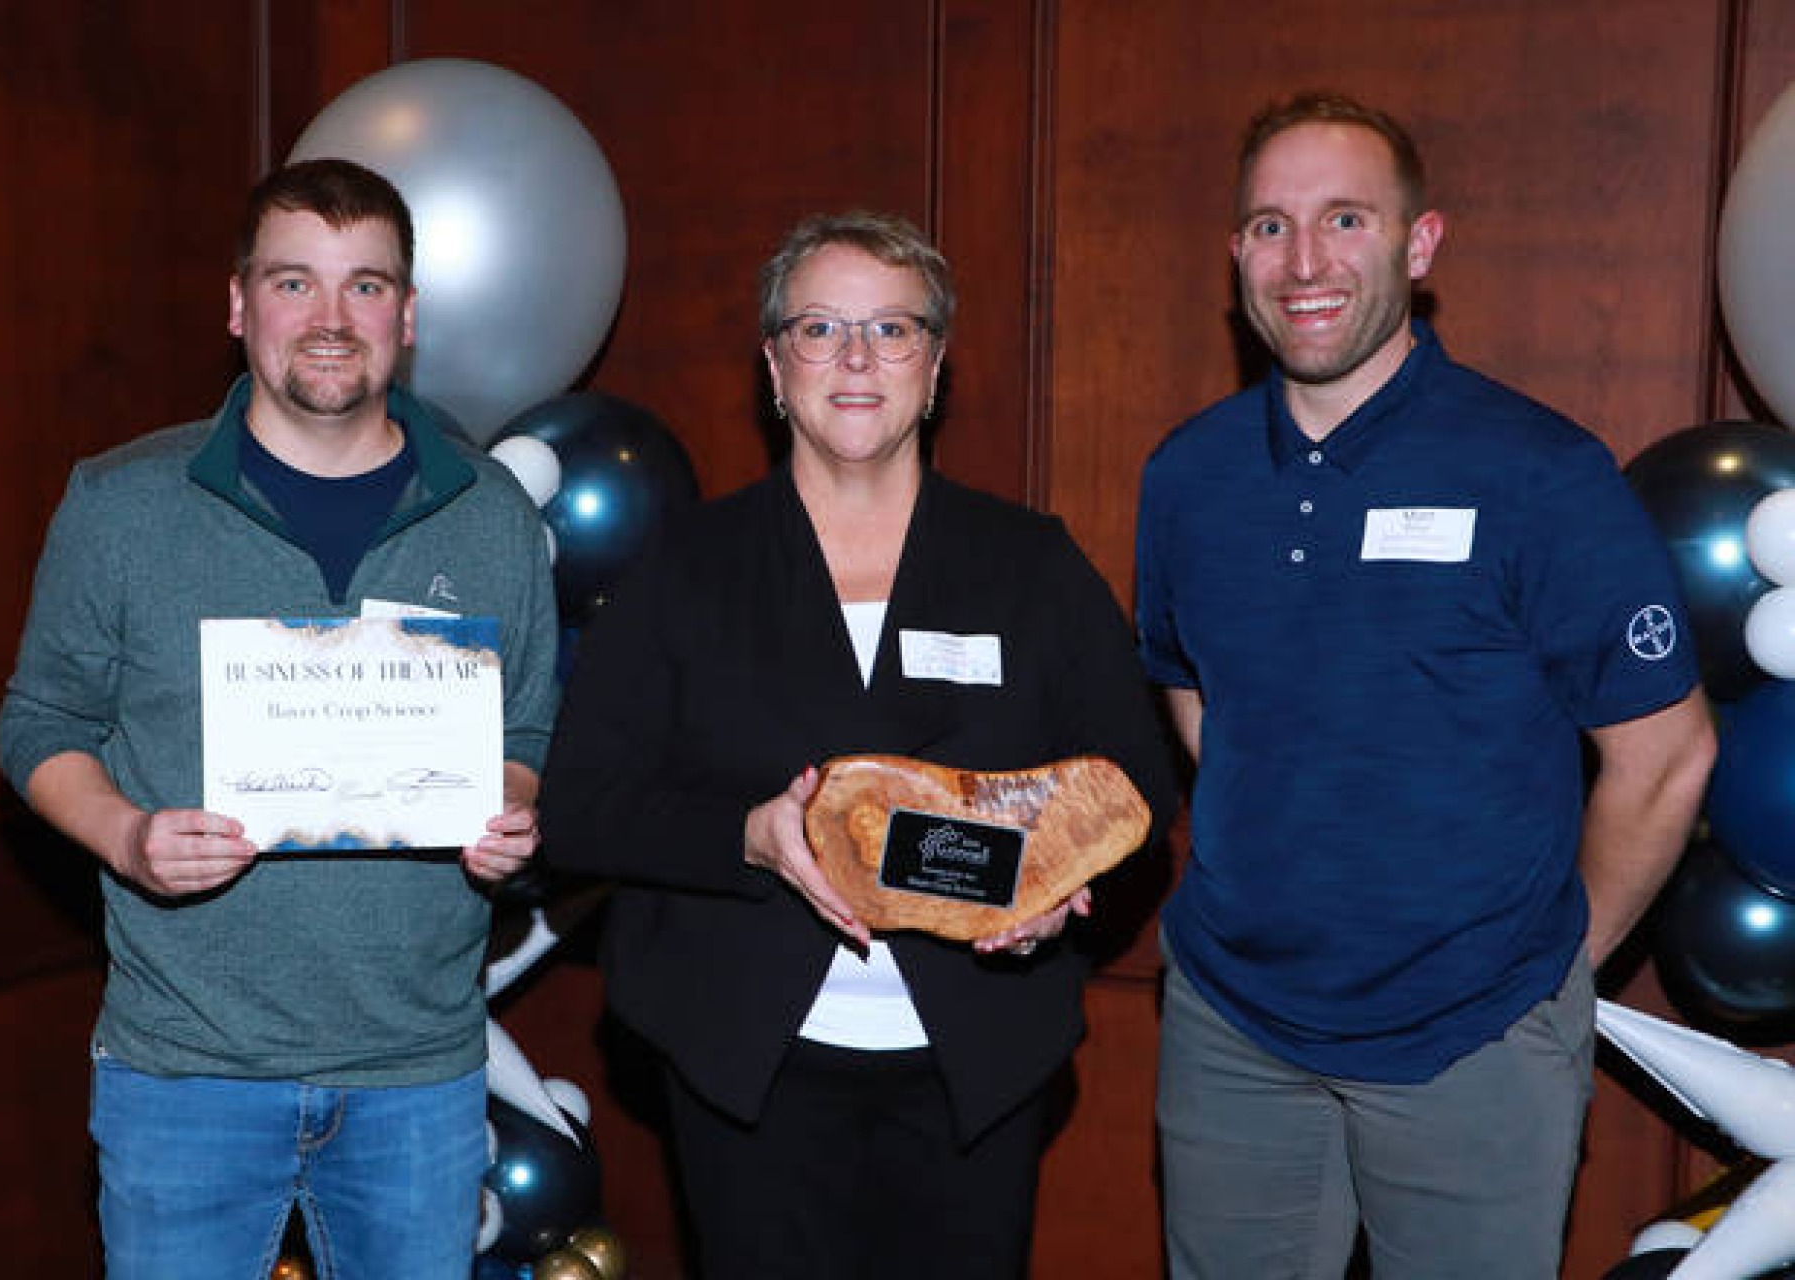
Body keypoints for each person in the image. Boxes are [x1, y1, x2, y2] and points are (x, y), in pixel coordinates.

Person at [1134, 91, 1717, 1278]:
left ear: (1420, 243)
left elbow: (1667, 755)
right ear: (1237, 252)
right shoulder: (1187, 476)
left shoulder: (1540, 472)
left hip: (1474, 1037)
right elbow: (1197, 699)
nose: (1305, 261)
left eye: (1346, 220)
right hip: (1232, 1025)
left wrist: (1553, 975)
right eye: (1271, 226)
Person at [539, 210, 1175, 1279]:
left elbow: (1137, 788)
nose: (856, 358)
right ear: (773, 366)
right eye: (820, 328)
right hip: (746, 1065)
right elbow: (581, 809)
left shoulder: (1030, 565)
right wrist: (747, 836)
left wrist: (1063, 889)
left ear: (935, 365)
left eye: (892, 329)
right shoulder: (688, 567)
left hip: (975, 1066)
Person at [0, 158, 558, 1279]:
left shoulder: (490, 515)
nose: (330, 318)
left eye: (365, 285)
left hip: (418, 1073)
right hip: (184, 1069)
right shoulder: (122, 501)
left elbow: (525, 732)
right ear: (240, 303)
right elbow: (39, 720)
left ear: (407, 315)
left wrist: (504, 807)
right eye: (295, 282)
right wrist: (126, 837)